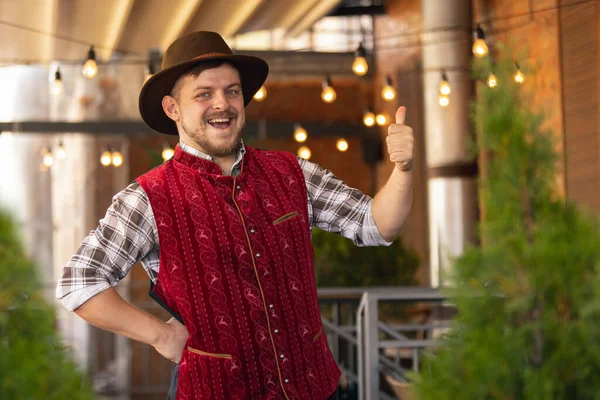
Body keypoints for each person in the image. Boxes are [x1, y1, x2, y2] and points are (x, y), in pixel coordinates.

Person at [56, 31, 414, 400]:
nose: (221, 104)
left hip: (314, 389)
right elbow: (78, 283)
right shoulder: (148, 198)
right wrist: (158, 334)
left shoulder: (293, 172)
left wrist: (402, 171)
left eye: (231, 91)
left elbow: (377, 224)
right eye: (203, 94)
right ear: (172, 108)